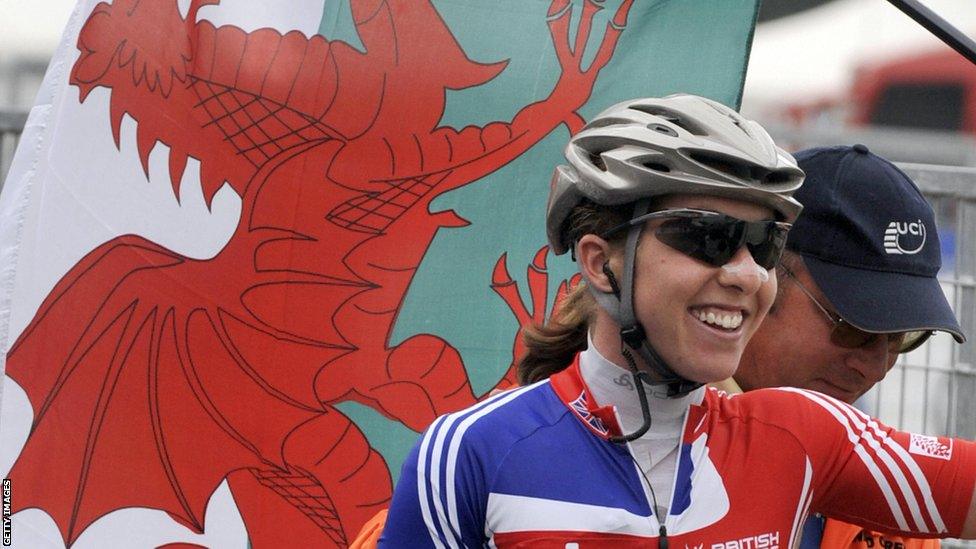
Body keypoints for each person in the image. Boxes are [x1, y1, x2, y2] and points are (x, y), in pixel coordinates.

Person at [379, 94, 976, 547]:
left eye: (763, 245)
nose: (746, 274)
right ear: (599, 261)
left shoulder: (806, 433)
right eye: (708, 237)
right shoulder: (468, 454)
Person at [715, 144, 967, 549]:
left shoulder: (897, 507)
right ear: (759, 277)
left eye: (902, 336)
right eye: (853, 325)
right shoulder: (643, 458)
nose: (874, 367)